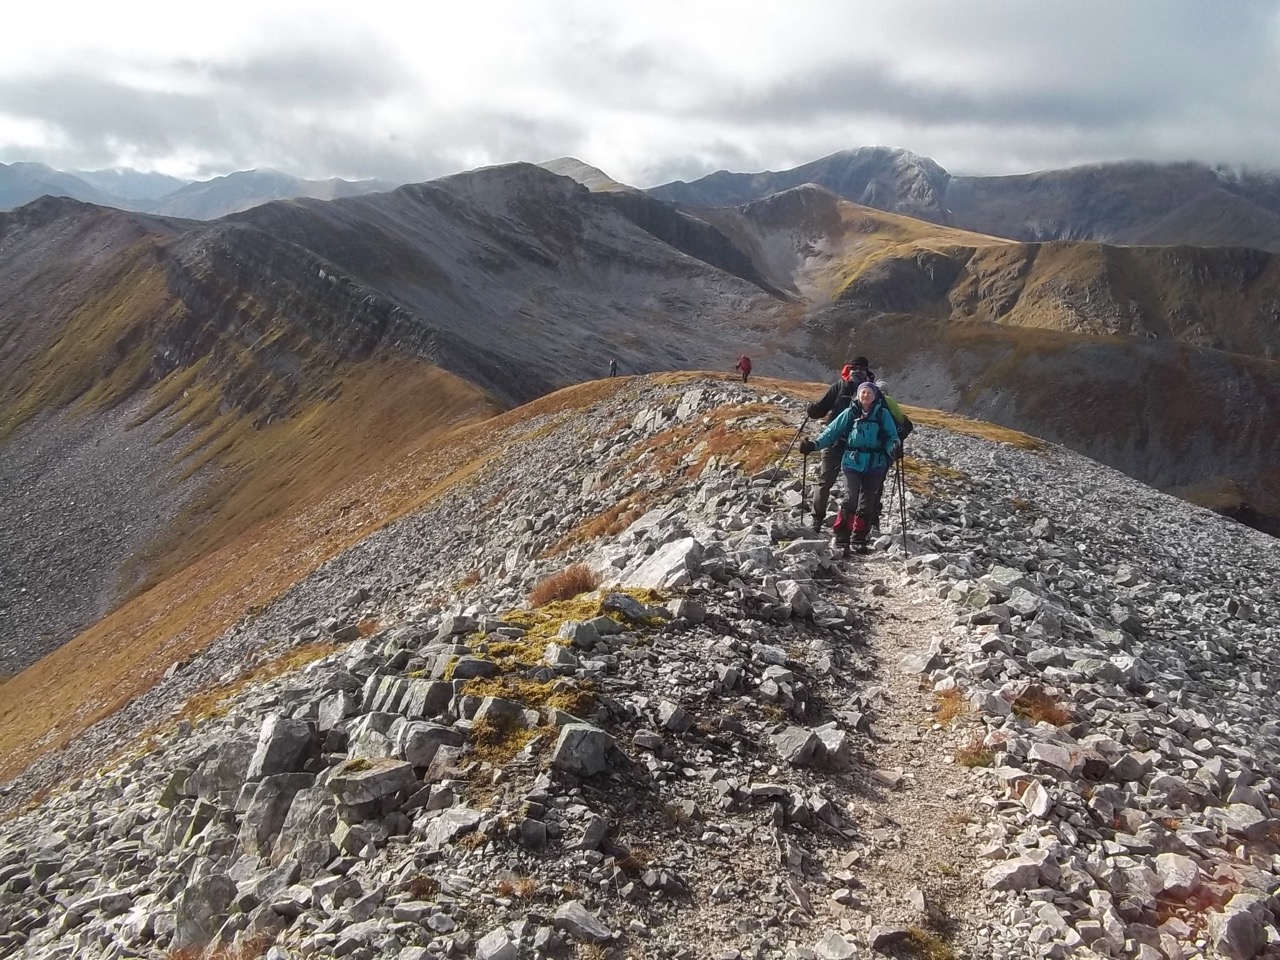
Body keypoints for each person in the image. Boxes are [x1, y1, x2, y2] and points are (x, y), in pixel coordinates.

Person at [799, 381, 899, 550]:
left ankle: (859, 538)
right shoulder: (850, 412)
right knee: (850, 499)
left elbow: (892, 437)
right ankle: (842, 537)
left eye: (869, 393)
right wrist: (814, 445)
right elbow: (832, 432)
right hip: (851, 462)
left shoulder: (883, 414)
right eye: (863, 392)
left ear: (875, 396)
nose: (866, 395)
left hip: (876, 464)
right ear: (858, 395)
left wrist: (894, 449)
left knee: (867, 502)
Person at [805, 361, 874, 532]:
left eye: (859, 368)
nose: (856, 371)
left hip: (843, 446)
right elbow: (822, 408)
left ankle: (820, 521)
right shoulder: (867, 391)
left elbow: (822, 409)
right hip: (852, 448)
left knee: (827, 481)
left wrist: (813, 410)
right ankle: (856, 524)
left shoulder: (845, 387)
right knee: (856, 487)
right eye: (855, 368)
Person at [868, 379, 910, 530]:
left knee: (863, 483)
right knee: (878, 483)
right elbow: (905, 424)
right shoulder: (890, 402)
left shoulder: (868, 401)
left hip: (867, 449)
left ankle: (861, 518)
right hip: (886, 451)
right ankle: (874, 519)